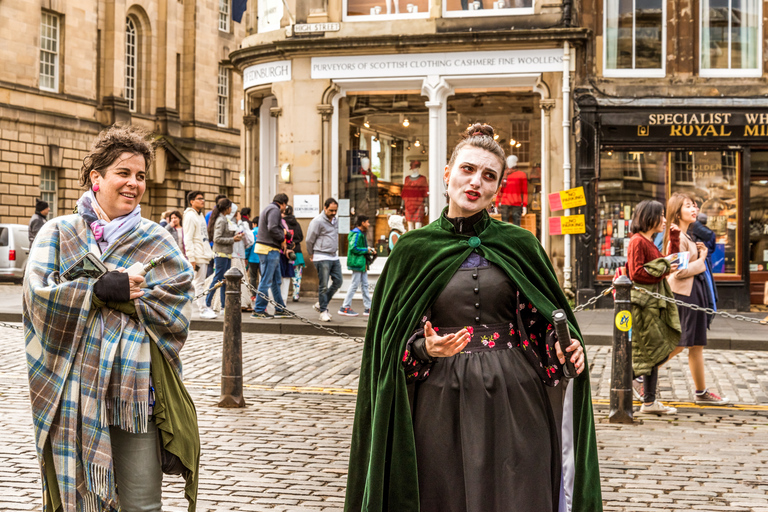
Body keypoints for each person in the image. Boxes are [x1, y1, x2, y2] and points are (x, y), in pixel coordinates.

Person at [345, 124, 601, 512]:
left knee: (518, 492)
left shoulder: (521, 245)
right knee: (444, 492)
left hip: (516, 394)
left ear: (497, 190)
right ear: (447, 173)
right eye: (467, 170)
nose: (475, 182)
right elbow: (390, 341)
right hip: (440, 397)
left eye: (488, 176)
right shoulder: (413, 250)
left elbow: (539, 320)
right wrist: (423, 346)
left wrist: (564, 348)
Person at [23, 125, 199, 512]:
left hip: (135, 396)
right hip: (74, 391)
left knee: (142, 504)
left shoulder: (158, 239)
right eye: (123, 173)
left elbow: (177, 309)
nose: (133, 183)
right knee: (78, 502)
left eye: (140, 176)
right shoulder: (59, 233)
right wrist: (98, 290)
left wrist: (122, 299)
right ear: (96, 177)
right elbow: (38, 297)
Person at [663, 193, 729, 405]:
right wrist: (701, 258)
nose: (695, 209)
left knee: (696, 344)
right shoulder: (676, 235)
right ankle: (638, 375)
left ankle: (701, 392)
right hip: (685, 295)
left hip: (694, 294)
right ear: (677, 211)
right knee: (682, 343)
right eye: (688, 206)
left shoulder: (686, 235)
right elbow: (678, 271)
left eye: (695, 205)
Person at [626, 200, 680, 415]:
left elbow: (668, 264)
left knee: (654, 352)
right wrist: (664, 265)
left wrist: (674, 240)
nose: (665, 220)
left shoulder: (649, 241)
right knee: (651, 352)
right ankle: (627, 387)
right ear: (649, 217)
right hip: (644, 306)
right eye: (661, 215)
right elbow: (636, 273)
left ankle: (649, 401)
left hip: (652, 304)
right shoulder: (637, 241)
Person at [202, 197, 242, 319]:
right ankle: (207, 303)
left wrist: (235, 236)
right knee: (218, 279)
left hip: (226, 254)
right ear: (227, 208)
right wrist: (233, 239)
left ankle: (224, 306)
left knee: (225, 281)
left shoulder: (224, 219)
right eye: (230, 207)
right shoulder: (221, 220)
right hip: (221, 254)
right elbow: (217, 238)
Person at [252, 193, 291, 319]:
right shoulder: (275, 210)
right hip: (269, 249)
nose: (285, 208)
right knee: (266, 281)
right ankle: (258, 310)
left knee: (275, 281)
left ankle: (280, 308)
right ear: (283, 203)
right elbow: (273, 228)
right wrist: (282, 238)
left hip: (268, 249)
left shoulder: (269, 208)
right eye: (285, 205)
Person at [306, 198, 343, 322]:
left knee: (338, 281)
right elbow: (309, 239)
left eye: (335, 211)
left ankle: (321, 303)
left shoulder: (335, 220)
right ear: (325, 208)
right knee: (324, 285)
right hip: (321, 256)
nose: (333, 213)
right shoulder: (317, 221)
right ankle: (323, 311)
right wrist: (311, 253)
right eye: (331, 210)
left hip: (333, 255)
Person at [183, 190, 216, 316]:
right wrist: (191, 257)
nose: (202, 200)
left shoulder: (200, 215)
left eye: (203, 198)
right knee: (199, 283)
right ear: (192, 201)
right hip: (197, 255)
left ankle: (200, 307)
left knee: (197, 283)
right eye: (199, 198)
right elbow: (188, 238)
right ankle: (203, 309)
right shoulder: (190, 216)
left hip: (204, 253)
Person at [339, 215, 375, 317]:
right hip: (358, 263)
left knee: (365, 285)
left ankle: (368, 307)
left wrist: (368, 249)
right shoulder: (357, 234)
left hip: (360, 263)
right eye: (367, 222)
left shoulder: (358, 233)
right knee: (355, 284)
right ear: (362, 222)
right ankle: (345, 307)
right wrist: (366, 250)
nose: (368, 224)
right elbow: (353, 248)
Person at [230, 209, 255, 311]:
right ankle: (237, 303)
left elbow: (249, 241)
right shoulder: (230, 225)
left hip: (240, 254)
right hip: (233, 255)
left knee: (243, 279)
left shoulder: (242, 225)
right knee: (236, 279)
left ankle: (243, 302)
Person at [495, 154, 528, 226]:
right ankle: (505, 237)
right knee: (504, 225)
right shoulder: (504, 175)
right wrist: (497, 204)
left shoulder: (521, 175)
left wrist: (524, 205)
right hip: (505, 203)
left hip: (516, 203)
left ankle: (516, 237)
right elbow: (500, 191)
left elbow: (524, 191)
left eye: (512, 161)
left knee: (516, 225)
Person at [282, 205, 305, 302]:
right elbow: (301, 237)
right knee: (297, 275)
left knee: (285, 276)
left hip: (285, 251)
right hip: (297, 252)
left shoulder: (283, 223)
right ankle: (296, 295)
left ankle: (284, 295)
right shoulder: (297, 223)